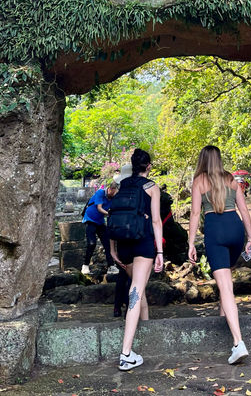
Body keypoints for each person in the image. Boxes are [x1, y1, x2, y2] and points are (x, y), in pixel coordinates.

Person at [188, 145, 251, 365]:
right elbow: (244, 210)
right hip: (235, 228)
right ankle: (223, 321)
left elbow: (196, 213)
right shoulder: (231, 179)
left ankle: (238, 343)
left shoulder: (199, 181)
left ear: (203, 160)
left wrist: (191, 243)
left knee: (225, 286)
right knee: (225, 281)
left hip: (215, 229)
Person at [110, 149, 163, 371]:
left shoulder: (122, 186)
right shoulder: (151, 187)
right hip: (142, 243)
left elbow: (114, 215)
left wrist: (112, 250)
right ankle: (126, 353)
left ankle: (146, 327)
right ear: (148, 166)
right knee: (136, 291)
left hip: (123, 244)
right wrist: (160, 252)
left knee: (136, 288)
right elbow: (157, 221)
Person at [81, 181, 119, 276]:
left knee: (107, 243)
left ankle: (111, 266)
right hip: (90, 219)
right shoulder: (100, 193)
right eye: (113, 193)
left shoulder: (114, 197)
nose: (113, 195)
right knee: (92, 243)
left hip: (100, 222)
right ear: (110, 189)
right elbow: (99, 208)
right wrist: (110, 214)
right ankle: (85, 265)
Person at [112, 163, 133, 318]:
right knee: (134, 276)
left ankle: (117, 307)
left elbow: (111, 222)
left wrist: (112, 249)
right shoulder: (138, 194)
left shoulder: (117, 197)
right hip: (135, 239)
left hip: (121, 240)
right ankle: (129, 307)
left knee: (123, 274)